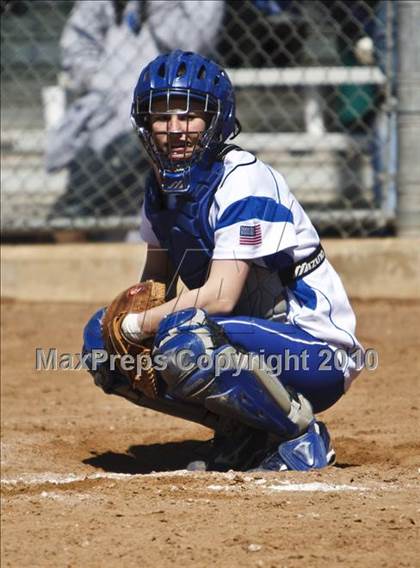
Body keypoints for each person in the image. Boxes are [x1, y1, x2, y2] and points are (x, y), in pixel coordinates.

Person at [83, 50, 364, 472]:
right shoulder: (160, 189)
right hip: (242, 339)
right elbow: (155, 283)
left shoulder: (243, 179)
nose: (175, 129)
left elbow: (220, 295)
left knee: (183, 338)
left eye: (190, 115)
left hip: (315, 351)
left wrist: (138, 324)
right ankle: (246, 433)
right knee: (100, 345)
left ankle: (300, 433)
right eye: (161, 116)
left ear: (216, 121)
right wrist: (127, 325)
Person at [45, 1, 224, 238]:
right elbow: (77, 41)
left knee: (148, 144)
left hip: (172, 105)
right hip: (107, 110)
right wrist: (102, 81)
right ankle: (76, 217)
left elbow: (193, 43)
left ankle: (75, 210)